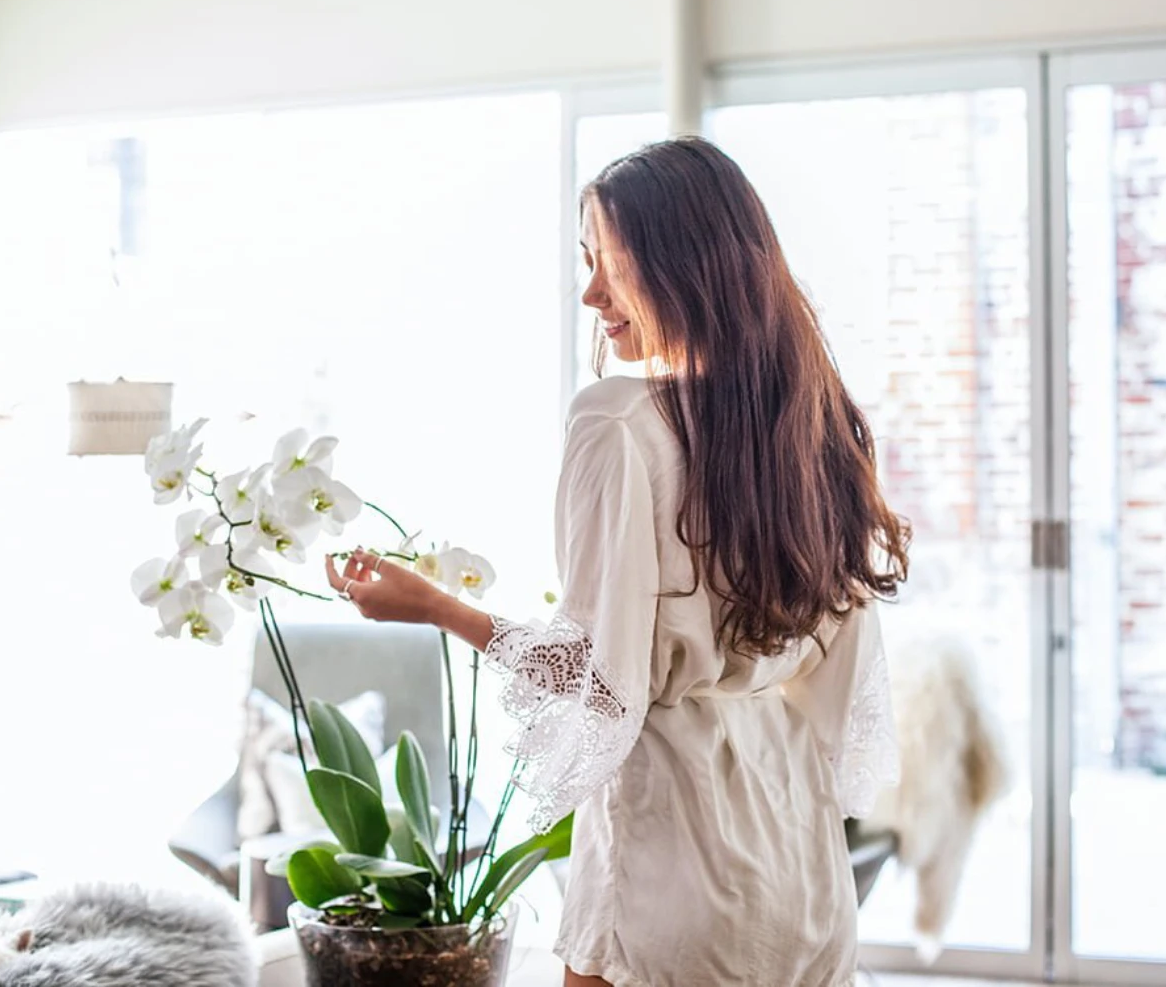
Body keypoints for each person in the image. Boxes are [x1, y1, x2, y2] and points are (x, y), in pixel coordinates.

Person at [324, 136, 910, 987]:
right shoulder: (814, 425)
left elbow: (604, 684)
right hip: (800, 860)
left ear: (689, 267)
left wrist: (440, 608)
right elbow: (842, 686)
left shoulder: (618, 424)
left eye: (613, 263)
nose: (591, 291)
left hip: (670, 852)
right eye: (586, 261)